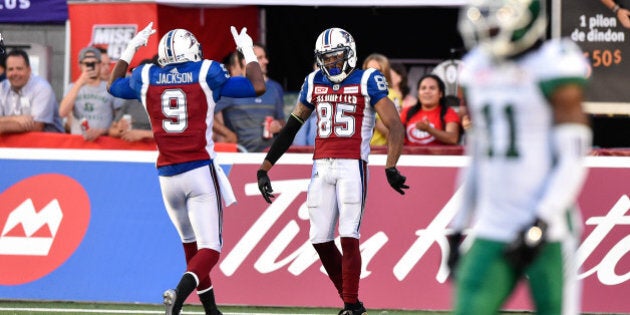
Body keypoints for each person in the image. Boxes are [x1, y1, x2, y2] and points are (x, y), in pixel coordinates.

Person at [107, 23, 266, 315]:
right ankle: (179, 295)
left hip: (167, 177)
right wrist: (246, 51)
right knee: (210, 249)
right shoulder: (206, 73)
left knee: (191, 247)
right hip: (199, 172)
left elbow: (113, 86)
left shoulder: (146, 76)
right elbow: (257, 86)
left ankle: (210, 309)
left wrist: (131, 49)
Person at [447, 1, 592, 314]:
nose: (490, 25)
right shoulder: (476, 68)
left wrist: (541, 221)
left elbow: (572, 156)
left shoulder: (554, 63)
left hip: (550, 229)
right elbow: (478, 156)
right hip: (493, 225)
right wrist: (458, 226)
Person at [255, 27, 409, 315]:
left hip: (352, 164)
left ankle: (350, 304)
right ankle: (353, 302)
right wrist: (265, 166)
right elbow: (291, 127)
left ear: (349, 54)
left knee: (349, 235)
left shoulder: (367, 79)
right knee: (320, 239)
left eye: (337, 57)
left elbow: (395, 123)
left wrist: (391, 165)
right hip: (320, 166)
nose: (332, 63)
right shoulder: (314, 80)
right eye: (326, 58)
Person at [215, 43, 285, 152]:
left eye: (265, 57)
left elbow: (281, 120)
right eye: (260, 58)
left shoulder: (274, 89)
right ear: (246, 62)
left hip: (270, 157)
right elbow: (206, 114)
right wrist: (227, 133)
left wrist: (278, 125)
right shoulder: (232, 87)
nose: (266, 61)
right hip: (242, 156)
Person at [0, 49, 64, 134]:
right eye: (10, 69)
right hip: (14, 145)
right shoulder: (2, 87)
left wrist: (3, 126)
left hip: (47, 144)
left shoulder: (42, 88)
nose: (14, 73)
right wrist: (15, 118)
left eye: (19, 69)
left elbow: (37, 126)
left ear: (29, 70)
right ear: (6, 72)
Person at [59, 46, 117, 141]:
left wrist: (102, 131)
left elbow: (119, 120)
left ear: (99, 65)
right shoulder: (72, 87)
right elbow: (62, 112)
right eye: (87, 64)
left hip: (104, 141)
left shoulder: (111, 88)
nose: (91, 67)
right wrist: (80, 82)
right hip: (79, 141)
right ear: (80, 65)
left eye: (94, 63)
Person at [400, 74, 461, 146]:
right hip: (409, 156)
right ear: (418, 93)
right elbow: (396, 136)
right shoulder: (407, 112)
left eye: (432, 88)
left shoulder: (449, 113)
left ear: (440, 94)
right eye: (423, 88)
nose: (427, 91)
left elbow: (453, 139)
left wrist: (429, 129)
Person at [362, 53, 395, 146]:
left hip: (379, 149)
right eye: (368, 70)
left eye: (377, 71)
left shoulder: (391, 95)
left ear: (386, 72)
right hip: (359, 148)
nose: (372, 74)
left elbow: (393, 129)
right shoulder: (358, 92)